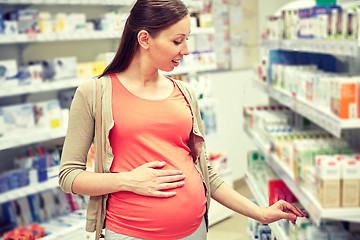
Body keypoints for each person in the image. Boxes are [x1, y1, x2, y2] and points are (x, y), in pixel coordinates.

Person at [58, 0, 307, 239]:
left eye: (187, 39)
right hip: (131, 233)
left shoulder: (184, 93)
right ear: (144, 39)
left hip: (195, 230)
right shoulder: (94, 93)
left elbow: (205, 171)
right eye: (178, 41)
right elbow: (69, 176)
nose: (186, 50)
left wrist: (260, 213)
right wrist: (129, 181)